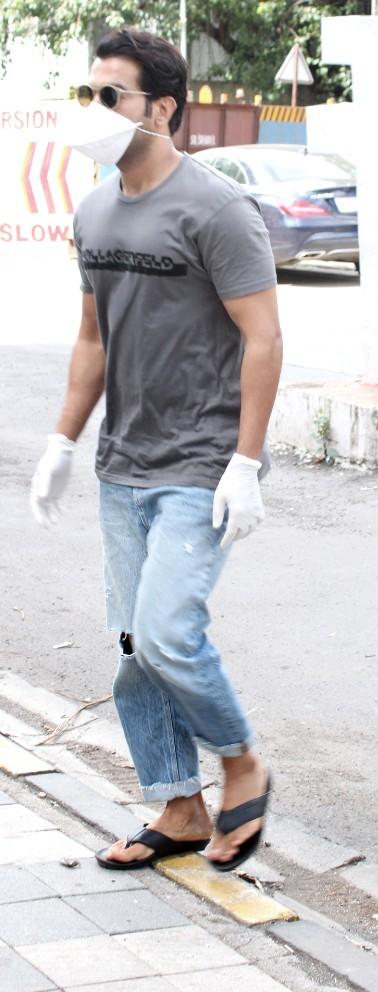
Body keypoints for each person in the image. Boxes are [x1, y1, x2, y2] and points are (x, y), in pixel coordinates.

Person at [30, 28, 282, 872]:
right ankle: (177, 804)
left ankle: (241, 757)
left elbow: (263, 338)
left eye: (112, 96)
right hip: (122, 465)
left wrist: (245, 462)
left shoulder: (216, 207)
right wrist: (63, 441)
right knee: (136, 645)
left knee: (169, 630)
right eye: (88, 94)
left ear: (162, 109)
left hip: (201, 462)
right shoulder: (94, 209)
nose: (94, 111)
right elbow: (93, 338)